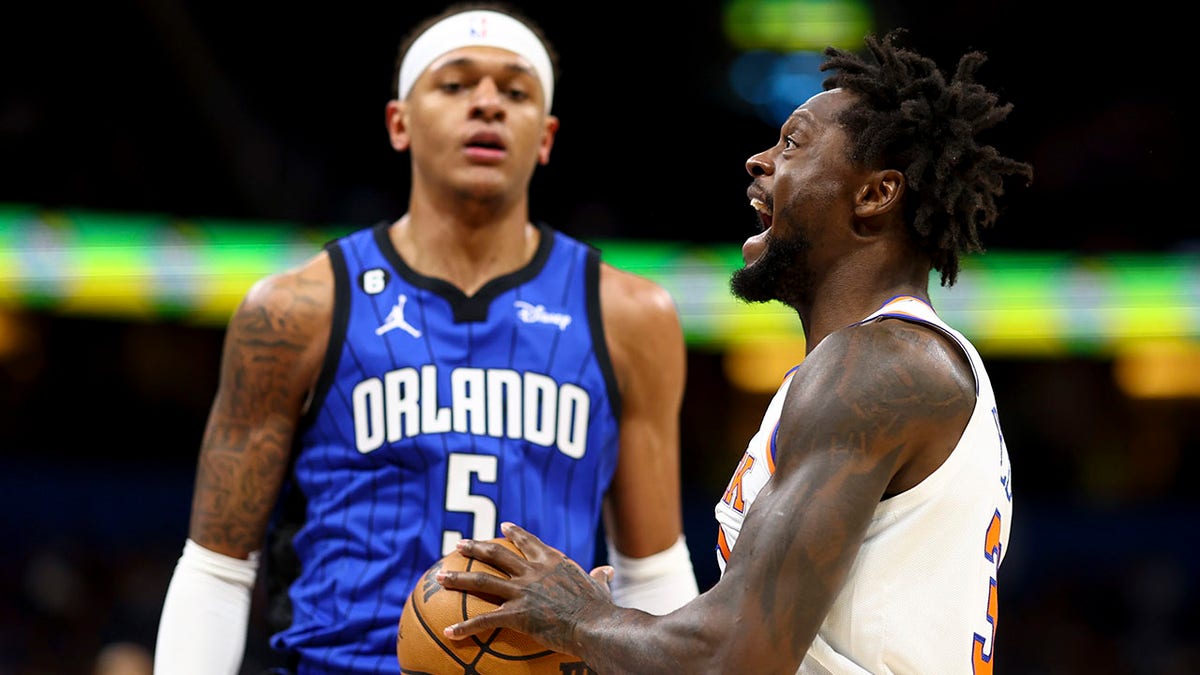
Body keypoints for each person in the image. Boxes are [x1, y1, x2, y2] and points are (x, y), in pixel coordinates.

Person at [438, 28, 1034, 674]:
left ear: (874, 194)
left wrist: (582, 617)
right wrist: (614, 643)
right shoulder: (866, 365)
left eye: (794, 142)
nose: (758, 160)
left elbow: (734, 657)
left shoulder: (883, 365)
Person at [152, 2, 699, 673]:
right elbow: (217, 566)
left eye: (516, 90)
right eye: (456, 84)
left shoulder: (631, 314)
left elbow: (651, 575)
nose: (488, 104)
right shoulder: (295, 309)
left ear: (547, 135)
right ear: (399, 122)